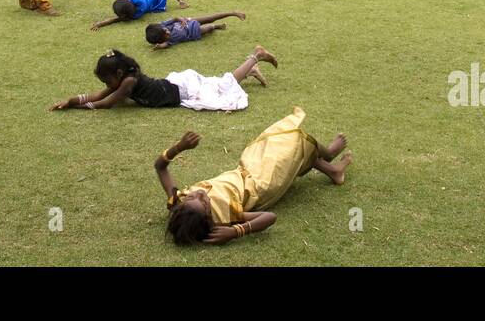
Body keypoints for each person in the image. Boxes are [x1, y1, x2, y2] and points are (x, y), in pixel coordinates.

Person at [157, 107, 351, 245]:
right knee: (292, 142)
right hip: (261, 183)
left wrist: (179, 147)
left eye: (192, 197)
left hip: (246, 168)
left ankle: (333, 171)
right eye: (204, 203)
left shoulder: (177, 201)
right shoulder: (226, 214)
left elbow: (160, 167)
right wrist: (236, 231)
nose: (200, 193)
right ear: (209, 217)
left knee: (278, 143)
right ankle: (328, 154)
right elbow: (269, 217)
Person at [49, 47, 278, 115]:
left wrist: (76, 107)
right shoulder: (121, 80)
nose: (106, 86)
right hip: (175, 86)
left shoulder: (128, 83)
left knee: (222, 88)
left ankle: (255, 56)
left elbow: (106, 103)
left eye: (107, 80)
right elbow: (100, 95)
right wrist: (70, 100)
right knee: (219, 85)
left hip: (183, 90)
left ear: (118, 74)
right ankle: (250, 69)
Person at [145, 11, 248, 49]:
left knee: (209, 18)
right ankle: (216, 26)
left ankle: (233, 13)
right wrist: (159, 47)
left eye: (165, 30)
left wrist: (181, 19)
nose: (168, 32)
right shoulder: (168, 41)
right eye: (166, 35)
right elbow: (164, 45)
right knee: (209, 27)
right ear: (163, 40)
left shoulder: (163, 25)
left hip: (189, 21)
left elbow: (175, 18)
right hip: (193, 32)